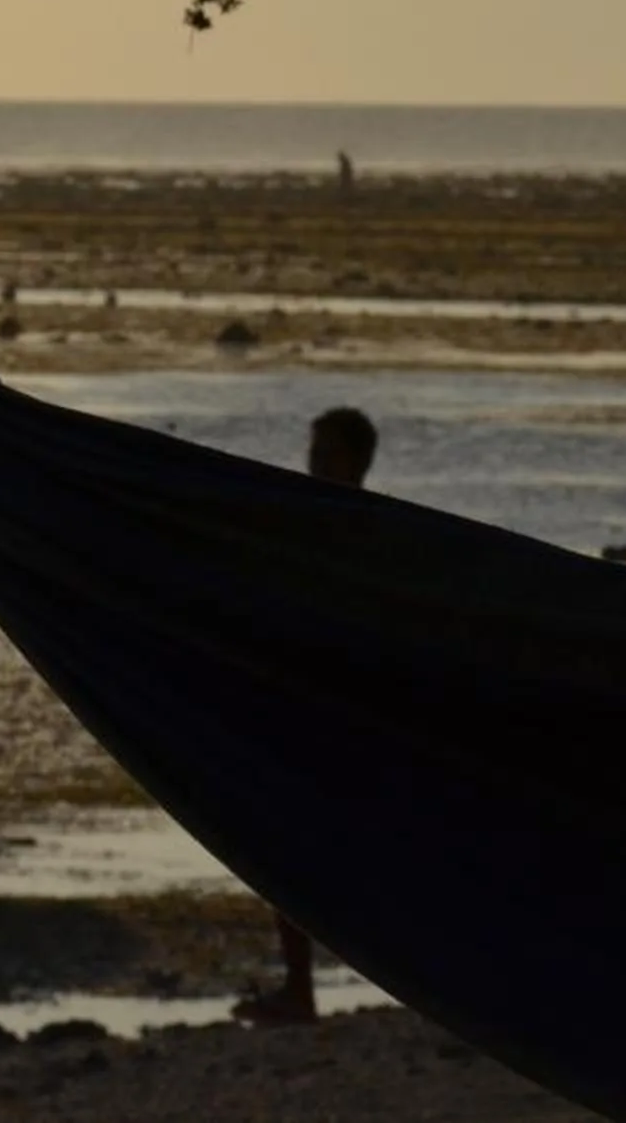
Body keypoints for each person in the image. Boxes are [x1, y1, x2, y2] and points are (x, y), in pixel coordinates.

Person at [237, 404, 379, 1024]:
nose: (313, 464)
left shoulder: (375, 531)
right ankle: (299, 988)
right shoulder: (296, 518)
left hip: (348, 719)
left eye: (326, 456)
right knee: (278, 848)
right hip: (298, 709)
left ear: (357, 464)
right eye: (312, 453)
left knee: (315, 852)